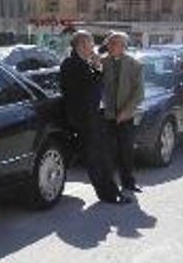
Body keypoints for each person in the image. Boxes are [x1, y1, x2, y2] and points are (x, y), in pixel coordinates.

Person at [59, 30, 131, 205]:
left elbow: (95, 84)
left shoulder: (83, 63)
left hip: (93, 117)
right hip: (85, 119)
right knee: (96, 159)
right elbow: (91, 87)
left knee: (102, 157)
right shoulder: (72, 64)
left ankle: (110, 191)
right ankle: (109, 194)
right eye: (91, 43)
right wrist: (98, 67)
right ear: (81, 45)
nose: (93, 47)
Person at [101, 31, 144, 194]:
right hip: (105, 114)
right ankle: (108, 183)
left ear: (123, 46)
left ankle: (128, 182)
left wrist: (126, 111)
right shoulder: (101, 62)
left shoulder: (134, 65)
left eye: (115, 43)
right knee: (106, 151)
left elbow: (139, 93)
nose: (111, 46)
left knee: (126, 149)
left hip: (125, 115)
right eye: (109, 43)